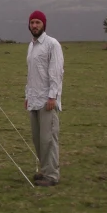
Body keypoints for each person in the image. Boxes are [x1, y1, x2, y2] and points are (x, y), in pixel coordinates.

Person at [24, 10, 64, 187]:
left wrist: (52, 96)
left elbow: (56, 72)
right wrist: (27, 95)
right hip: (34, 98)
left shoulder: (52, 44)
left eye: (37, 22)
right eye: (32, 22)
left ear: (44, 25)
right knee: (38, 139)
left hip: (47, 100)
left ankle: (52, 175)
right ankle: (45, 169)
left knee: (48, 139)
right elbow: (31, 74)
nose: (34, 26)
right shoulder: (32, 45)